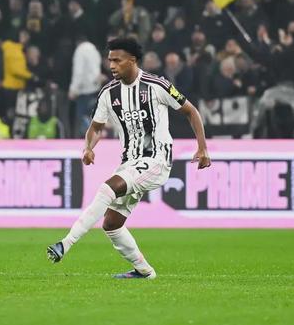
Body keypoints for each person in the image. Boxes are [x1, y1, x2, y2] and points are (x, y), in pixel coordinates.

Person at [46, 37, 211, 279]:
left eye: (117, 60)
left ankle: (66, 243)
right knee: (111, 224)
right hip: (130, 163)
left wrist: (203, 148)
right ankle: (144, 271)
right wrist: (88, 147)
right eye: (109, 60)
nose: (111, 65)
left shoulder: (156, 85)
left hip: (156, 160)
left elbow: (191, 111)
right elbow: (96, 127)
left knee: (108, 188)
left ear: (132, 60)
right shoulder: (108, 93)